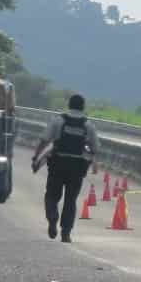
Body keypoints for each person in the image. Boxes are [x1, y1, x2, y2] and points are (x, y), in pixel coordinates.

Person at [32, 94, 100, 243]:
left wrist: (36, 158)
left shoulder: (58, 120)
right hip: (77, 167)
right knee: (71, 200)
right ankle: (66, 233)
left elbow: (44, 140)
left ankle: (52, 218)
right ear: (83, 107)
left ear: (69, 105)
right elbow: (95, 148)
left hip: (57, 164)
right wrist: (93, 162)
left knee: (51, 196)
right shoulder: (88, 125)